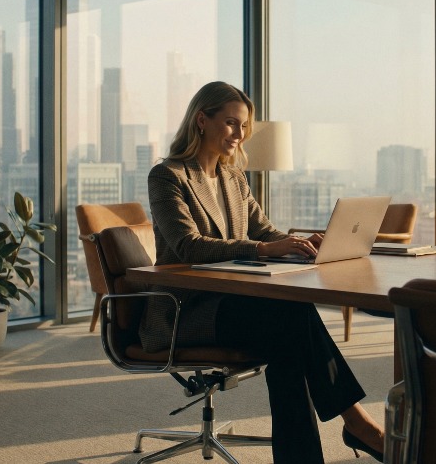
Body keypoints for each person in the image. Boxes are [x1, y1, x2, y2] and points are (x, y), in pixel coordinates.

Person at [140, 81, 385, 463]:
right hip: (185, 309)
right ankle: (359, 425)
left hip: (233, 300)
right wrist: (263, 249)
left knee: (288, 342)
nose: (240, 135)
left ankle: (338, 439)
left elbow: (263, 230)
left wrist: (301, 243)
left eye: (243, 127)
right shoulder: (168, 176)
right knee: (292, 317)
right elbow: (188, 245)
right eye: (232, 124)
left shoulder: (233, 178)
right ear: (202, 120)